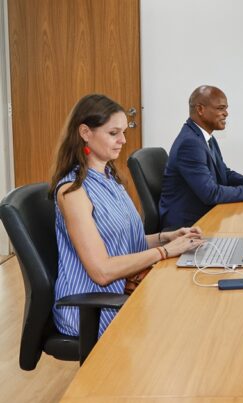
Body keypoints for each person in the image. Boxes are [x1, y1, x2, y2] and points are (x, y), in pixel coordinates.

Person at [49, 94, 205, 337]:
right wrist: (165, 251)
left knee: (193, 304)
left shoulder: (110, 177)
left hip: (123, 289)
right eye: (113, 133)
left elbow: (122, 242)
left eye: (124, 131)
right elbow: (102, 271)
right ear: (85, 132)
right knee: (186, 318)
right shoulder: (73, 192)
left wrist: (168, 237)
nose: (123, 140)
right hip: (94, 306)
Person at [160, 85, 243, 229]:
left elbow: (224, 174)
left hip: (205, 215)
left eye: (226, 108)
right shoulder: (190, 143)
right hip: (188, 225)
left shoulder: (205, 137)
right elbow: (211, 193)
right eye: (221, 108)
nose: (226, 113)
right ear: (200, 109)